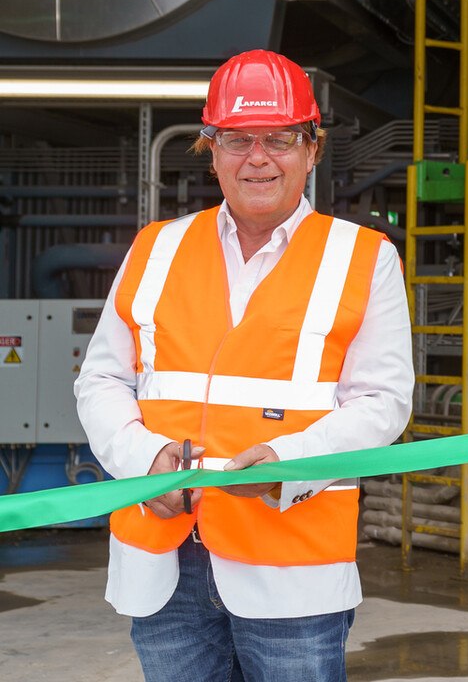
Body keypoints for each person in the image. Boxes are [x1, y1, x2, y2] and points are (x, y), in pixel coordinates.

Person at [75, 49, 413, 682]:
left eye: (279, 139)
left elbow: (384, 401)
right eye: (236, 140)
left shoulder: (364, 259)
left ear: (312, 149)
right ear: (211, 149)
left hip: (291, 570)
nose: (258, 157)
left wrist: (288, 464)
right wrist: (145, 462)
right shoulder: (155, 248)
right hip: (162, 563)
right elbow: (102, 379)